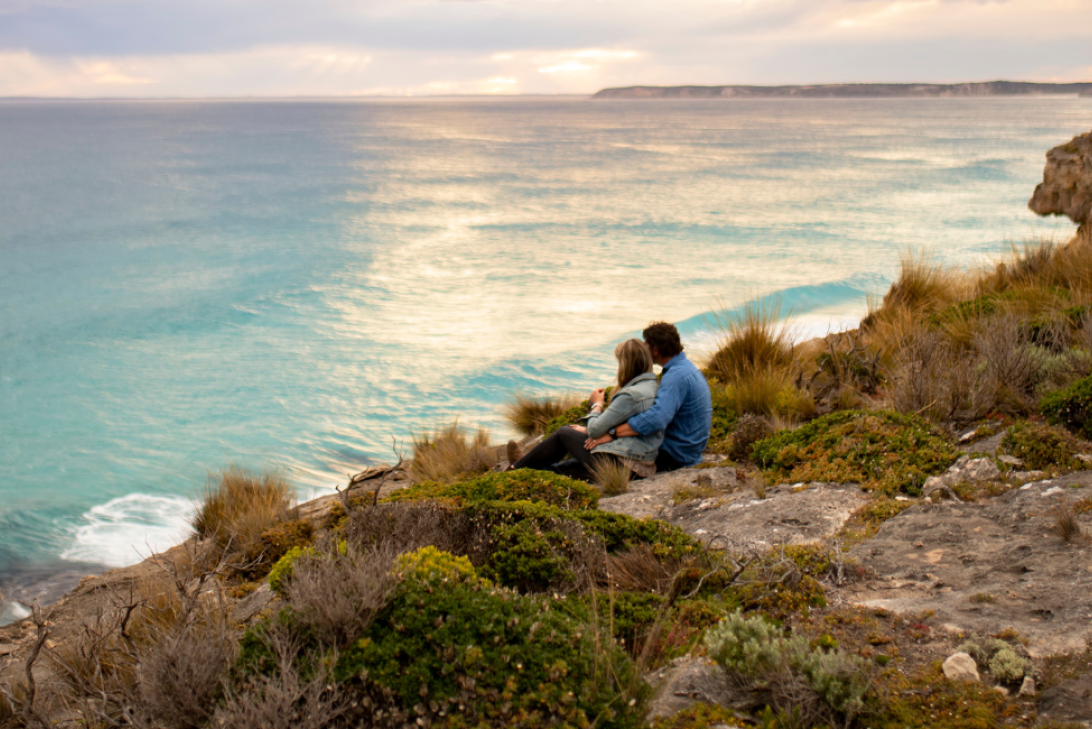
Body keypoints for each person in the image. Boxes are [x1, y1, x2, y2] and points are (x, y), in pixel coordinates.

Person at [508, 339, 663, 481]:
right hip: (640, 466)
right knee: (567, 470)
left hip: (624, 463)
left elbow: (595, 430)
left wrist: (597, 404)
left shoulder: (630, 395)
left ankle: (513, 469)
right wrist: (587, 430)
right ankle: (523, 470)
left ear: (625, 365)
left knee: (564, 433)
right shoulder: (651, 386)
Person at [584, 321, 712, 472]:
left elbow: (656, 419)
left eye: (645, 345)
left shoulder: (675, 377)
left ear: (655, 350)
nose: (643, 349)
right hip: (689, 451)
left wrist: (612, 433)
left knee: (588, 446)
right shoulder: (686, 368)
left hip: (674, 456)